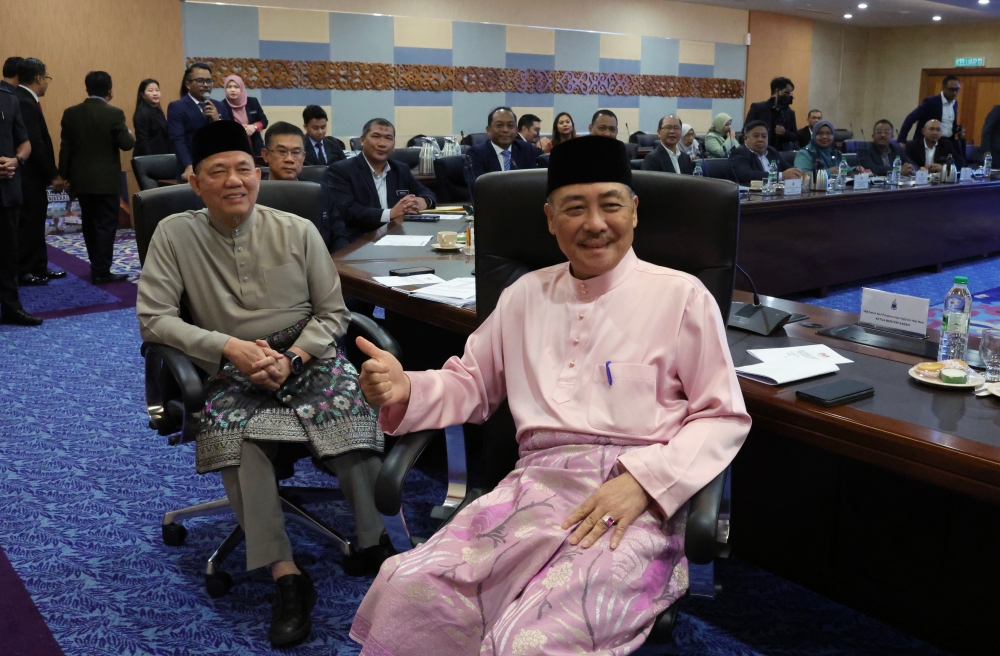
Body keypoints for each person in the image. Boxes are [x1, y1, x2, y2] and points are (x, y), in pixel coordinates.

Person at [349, 135, 751, 655]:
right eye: (575, 208)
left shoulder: (682, 297)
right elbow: (471, 383)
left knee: (529, 640)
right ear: (549, 218)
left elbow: (721, 416)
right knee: (411, 588)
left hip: (634, 498)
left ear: (633, 211)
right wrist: (407, 386)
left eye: (610, 205)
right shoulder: (524, 294)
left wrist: (644, 484)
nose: (595, 224)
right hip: (532, 488)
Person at [136, 120, 394, 647]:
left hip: (307, 356)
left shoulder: (297, 229)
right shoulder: (174, 234)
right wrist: (227, 348)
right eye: (218, 171)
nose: (234, 180)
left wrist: (295, 357)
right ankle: (286, 575)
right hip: (229, 365)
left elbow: (333, 313)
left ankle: (375, 543)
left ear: (258, 174)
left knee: (348, 408)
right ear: (195, 181)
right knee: (240, 437)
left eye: (243, 169)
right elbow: (154, 319)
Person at [59, 71, 135, 285]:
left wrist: (63, 176)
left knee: (90, 224)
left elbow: (66, 149)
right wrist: (129, 133)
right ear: (110, 90)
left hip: (81, 180)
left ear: (87, 89)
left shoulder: (71, 113)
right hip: (106, 182)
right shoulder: (114, 113)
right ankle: (102, 271)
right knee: (106, 226)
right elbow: (126, 144)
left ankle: (96, 266)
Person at [326, 118, 436, 243]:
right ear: (362, 140)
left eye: (388, 138)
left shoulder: (400, 169)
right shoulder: (341, 170)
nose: (382, 144)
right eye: (376, 136)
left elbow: (427, 193)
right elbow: (346, 211)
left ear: (393, 145)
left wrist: (422, 201)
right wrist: (390, 214)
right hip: (361, 240)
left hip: (398, 236)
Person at [16, 58, 66, 287]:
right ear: (38, 78)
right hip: (29, 176)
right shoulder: (25, 102)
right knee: (30, 223)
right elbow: (35, 142)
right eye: (47, 77)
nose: (47, 82)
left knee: (36, 221)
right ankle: (26, 270)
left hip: (32, 176)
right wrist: (53, 173)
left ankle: (39, 266)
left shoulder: (24, 99)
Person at [0, 66, 38, 325]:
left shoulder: (8, 98)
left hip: (7, 191)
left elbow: (25, 143)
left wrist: (16, 160)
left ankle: (11, 307)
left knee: (8, 254)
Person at [166, 62, 230, 182]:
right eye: (200, 81)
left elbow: (229, 138)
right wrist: (188, 165)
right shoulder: (177, 107)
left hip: (218, 166)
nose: (205, 85)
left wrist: (217, 121)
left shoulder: (220, 106)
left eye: (209, 81)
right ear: (188, 84)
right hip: (191, 167)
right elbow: (177, 140)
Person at [466, 107, 538, 180]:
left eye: (510, 126)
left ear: (516, 130)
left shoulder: (527, 150)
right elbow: (477, 185)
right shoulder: (476, 153)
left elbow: (533, 182)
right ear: (488, 130)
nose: (505, 130)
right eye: (499, 125)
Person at [729, 120, 802, 185]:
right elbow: (747, 175)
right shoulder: (739, 153)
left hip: (776, 193)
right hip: (752, 194)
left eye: (764, 136)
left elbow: (787, 168)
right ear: (745, 138)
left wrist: (796, 173)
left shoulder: (772, 151)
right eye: (756, 136)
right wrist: (780, 176)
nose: (760, 139)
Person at [899, 75, 964, 145]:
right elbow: (911, 118)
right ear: (943, 88)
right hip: (928, 142)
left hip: (947, 142)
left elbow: (948, 123)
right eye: (951, 89)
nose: (954, 92)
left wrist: (957, 129)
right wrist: (902, 140)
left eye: (957, 89)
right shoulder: (931, 102)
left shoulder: (955, 103)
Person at [744, 76, 798, 151]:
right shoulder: (758, 108)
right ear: (777, 91)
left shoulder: (789, 112)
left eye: (790, 94)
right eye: (786, 93)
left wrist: (785, 133)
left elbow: (795, 136)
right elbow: (745, 130)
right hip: (760, 150)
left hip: (782, 153)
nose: (789, 96)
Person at [223, 74, 267, 156]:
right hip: (234, 148)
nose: (232, 90)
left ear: (241, 88)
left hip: (255, 147)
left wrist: (254, 127)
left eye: (236, 87)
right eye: (229, 87)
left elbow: (264, 121)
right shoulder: (222, 106)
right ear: (225, 89)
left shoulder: (252, 102)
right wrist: (238, 130)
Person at [132, 78, 171, 157]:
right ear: (143, 95)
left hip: (162, 154)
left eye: (157, 90)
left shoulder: (157, 110)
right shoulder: (142, 113)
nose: (155, 93)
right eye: (150, 91)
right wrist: (151, 160)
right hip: (150, 157)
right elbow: (143, 141)